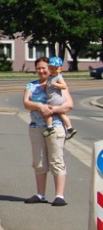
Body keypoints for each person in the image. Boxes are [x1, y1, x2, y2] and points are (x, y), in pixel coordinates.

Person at [23, 56, 74, 206]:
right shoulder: (31, 85)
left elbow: (69, 105)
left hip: (55, 126)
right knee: (39, 162)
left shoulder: (58, 84)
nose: (42, 71)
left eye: (44, 67)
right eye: (38, 68)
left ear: (51, 68)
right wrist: (41, 107)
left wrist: (53, 109)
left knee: (56, 160)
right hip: (36, 127)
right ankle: (40, 194)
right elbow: (26, 103)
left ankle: (59, 195)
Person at [43, 56, 76, 139]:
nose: (53, 71)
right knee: (61, 114)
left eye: (55, 69)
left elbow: (64, 86)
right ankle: (70, 128)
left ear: (60, 69)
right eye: (51, 68)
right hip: (53, 99)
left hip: (55, 99)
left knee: (48, 113)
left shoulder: (58, 77)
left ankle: (50, 127)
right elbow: (47, 84)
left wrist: (55, 84)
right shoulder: (50, 77)